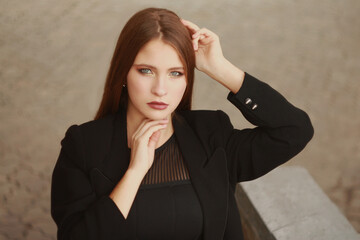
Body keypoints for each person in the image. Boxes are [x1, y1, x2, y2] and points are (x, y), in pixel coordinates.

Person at [51, 7, 314, 240]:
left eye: (176, 73)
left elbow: (294, 131)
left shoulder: (213, 136)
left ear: (188, 80)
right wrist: (135, 172)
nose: (161, 89)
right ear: (123, 73)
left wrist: (219, 68)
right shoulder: (83, 146)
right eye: (146, 71)